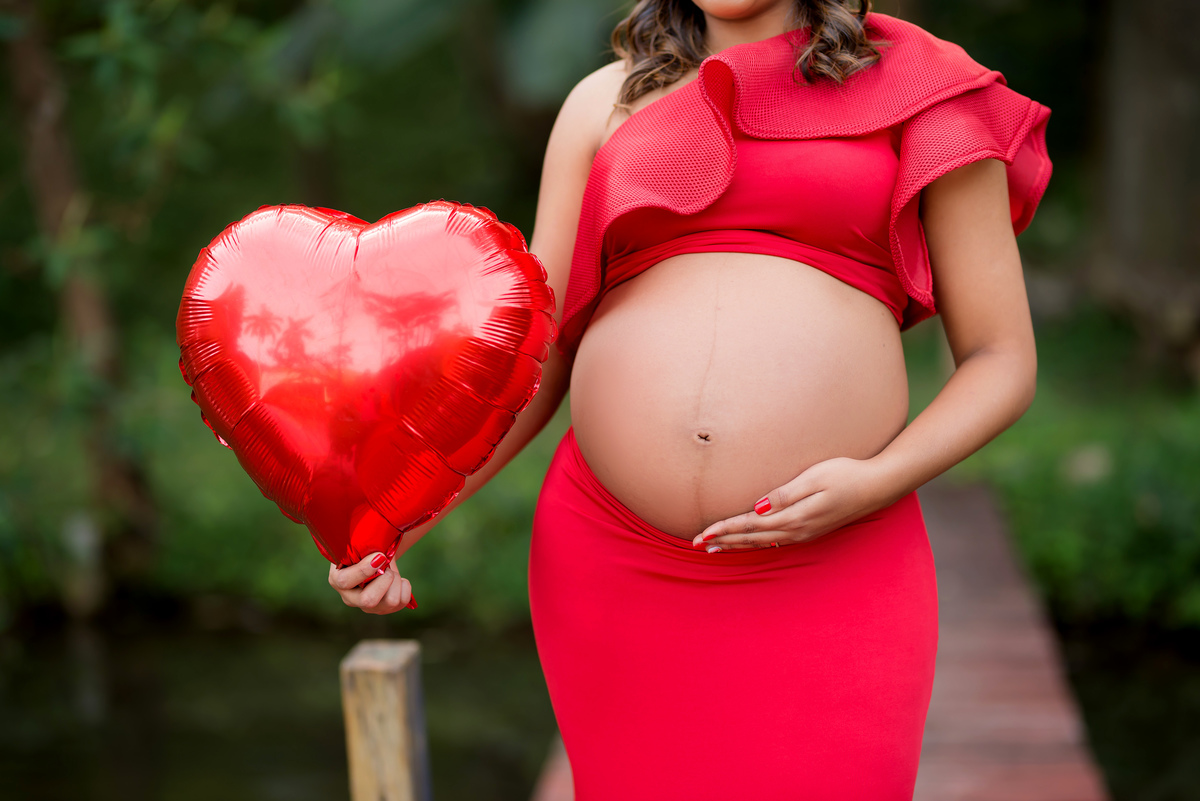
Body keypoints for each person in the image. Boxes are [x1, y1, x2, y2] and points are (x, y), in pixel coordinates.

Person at [327, 1, 1051, 798]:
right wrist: (405, 514)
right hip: (613, 559)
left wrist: (876, 481)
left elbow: (1001, 358)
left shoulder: (923, 92)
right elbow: (535, 358)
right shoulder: (600, 105)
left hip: (834, 560)